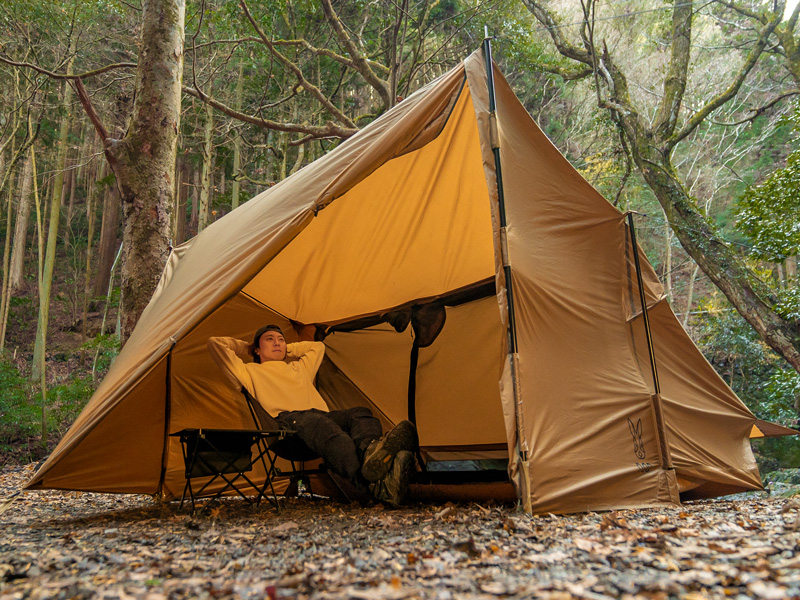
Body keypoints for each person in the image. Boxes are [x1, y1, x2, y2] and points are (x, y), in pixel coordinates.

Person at [207, 324, 417, 506]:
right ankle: (373, 487)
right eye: (269, 340)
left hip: (319, 419)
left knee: (360, 414)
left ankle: (372, 455)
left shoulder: (299, 369)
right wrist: (247, 347)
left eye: (281, 339)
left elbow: (318, 346)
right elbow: (215, 344)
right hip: (285, 430)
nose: (277, 343)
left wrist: (288, 349)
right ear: (257, 349)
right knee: (324, 427)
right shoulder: (247, 371)